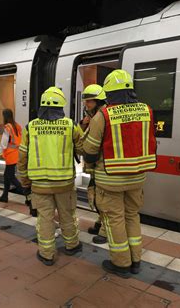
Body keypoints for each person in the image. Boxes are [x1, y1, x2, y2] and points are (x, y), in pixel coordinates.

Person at [82, 69, 157, 278]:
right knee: (132, 216)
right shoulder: (147, 111)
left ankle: (121, 263)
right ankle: (136, 260)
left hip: (111, 179)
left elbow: (89, 150)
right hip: (138, 177)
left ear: (109, 94)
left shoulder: (103, 116)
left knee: (115, 219)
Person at [17, 86, 83, 266]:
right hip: (64, 184)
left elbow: (22, 157)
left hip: (39, 185)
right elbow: (84, 148)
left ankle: (47, 254)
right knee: (67, 215)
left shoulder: (30, 127)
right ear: (61, 105)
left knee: (44, 218)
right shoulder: (70, 125)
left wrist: (24, 181)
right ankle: (72, 245)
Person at [79, 84, 108, 245]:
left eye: (89, 101)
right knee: (97, 197)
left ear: (98, 101)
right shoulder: (93, 116)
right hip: (96, 166)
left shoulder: (101, 116)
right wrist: (83, 123)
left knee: (100, 199)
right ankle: (100, 223)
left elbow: (90, 143)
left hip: (101, 165)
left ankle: (104, 230)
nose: (86, 104)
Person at [0, 108, 24, 202]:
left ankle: (26, 193)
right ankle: (5, 196)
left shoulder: (7, 128)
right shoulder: (16, 126)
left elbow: (4, 144)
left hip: (11, 155)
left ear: (5, 116)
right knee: (8, 176)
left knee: (10, 177)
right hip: (16, 153)